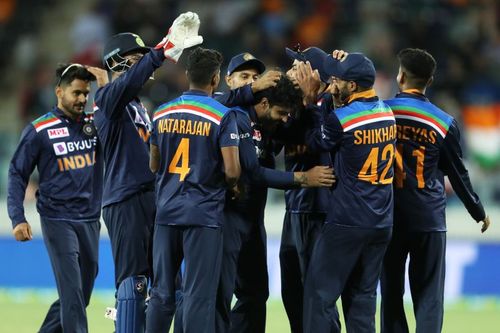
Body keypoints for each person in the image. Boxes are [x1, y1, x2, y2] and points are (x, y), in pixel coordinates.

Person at [92, 12, 203, 331]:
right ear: (116, 62)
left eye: (142, 58)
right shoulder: (106, 101)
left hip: (153, 200)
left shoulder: (139, 108)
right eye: (134, 58)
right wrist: (159, 51)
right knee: (133, 286)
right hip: (124, 200)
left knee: (171, 286)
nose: (141, 64)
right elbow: (128, 82)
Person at [214, 53, 335, 333]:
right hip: (223, 217)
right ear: (228, 80)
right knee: (215, 296)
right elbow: (253, 172)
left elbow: (294, 130)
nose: (254, 82)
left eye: (256, 77)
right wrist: (251, 90)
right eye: (244, 78)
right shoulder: (224, 110)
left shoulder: (269, 116)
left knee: (255, 295)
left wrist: (310, 97)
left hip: (254, 219)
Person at [380, 48, 491, 333]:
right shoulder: (443, 122)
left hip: (388, 215)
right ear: (429, 81)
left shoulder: (381, 113)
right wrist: (477, 211)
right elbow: (458, 173)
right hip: (428, 219)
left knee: (391, 293)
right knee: (429, 297)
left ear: (400, 76)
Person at [298, 51, 396, 332]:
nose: (332, 83)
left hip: (347, 222)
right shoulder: (387, 113)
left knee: (319, 296)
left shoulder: (341, 120)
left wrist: (311, 101)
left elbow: (314, 142)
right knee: (362, 301)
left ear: (352, 86)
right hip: (381, 222)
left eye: (337, 79)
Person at [146, 46, 241, 333]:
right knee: (198, 296)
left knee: (162, 294)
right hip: (203, 215)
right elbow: (233, 170)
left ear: (187, 75)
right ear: (216, 79)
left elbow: (154, 164)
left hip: (166, 213)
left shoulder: (162, 112)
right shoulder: (222, 115)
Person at [7, 63, 101, 333]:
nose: (83, 99)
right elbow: (16, 173)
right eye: (76, 93)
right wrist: (17, 217)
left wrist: (106, 84)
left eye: (86, 93)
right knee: (72, 292)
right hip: (57, 218)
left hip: (90, 218)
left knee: (80, 294)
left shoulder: (95, 125)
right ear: (59, 92)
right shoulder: (39, 130)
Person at [279, 45, 334, 333]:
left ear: (312, 74)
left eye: (296, 66)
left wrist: (312, 104)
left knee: (317, 296)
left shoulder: (331, 107)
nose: (290, 71)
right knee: (293, 294)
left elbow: (323, 142)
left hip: (319, 210)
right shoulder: (293, 105)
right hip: (295, 208)